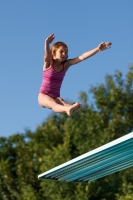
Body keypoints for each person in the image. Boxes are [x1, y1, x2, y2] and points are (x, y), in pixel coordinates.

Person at [38, 33, 112, 116]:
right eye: (61, 51)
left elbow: (82, 57)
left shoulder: (65, 65)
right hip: (43, 95)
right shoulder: (49, 63)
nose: (64, 54)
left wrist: (98, 49)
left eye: (66, 52)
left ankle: (71, 108)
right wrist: (47, 44)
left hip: (56, 95)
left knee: (62, 102)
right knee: (53, 103)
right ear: (54, 52)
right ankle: (68, 109)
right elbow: (47, 55)